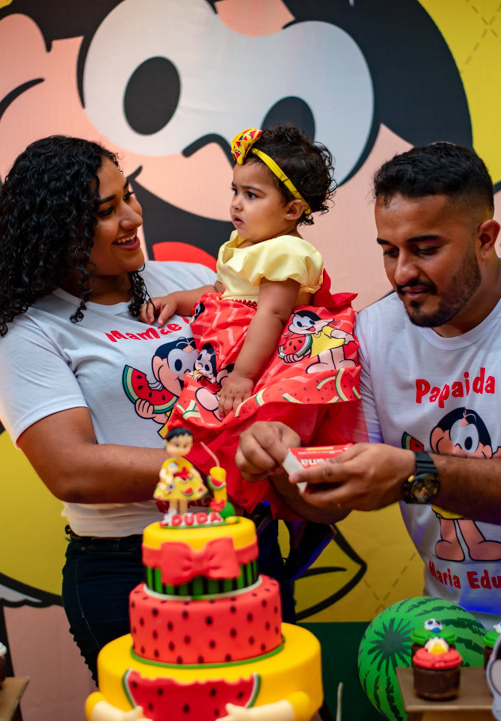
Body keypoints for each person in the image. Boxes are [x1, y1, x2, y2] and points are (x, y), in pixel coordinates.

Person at [236, 142, 501, 718]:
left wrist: (415, 473)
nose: (403, 273)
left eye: (425, 249)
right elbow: (333, 504)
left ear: (485, 237)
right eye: (389, 250)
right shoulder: (371, 332)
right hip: (447, 633)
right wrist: (284, 464)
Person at [0, 136, 339, 681]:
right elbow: (72, 470)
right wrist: (228, 465)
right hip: (130, 566)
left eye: (128, 195)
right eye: (105, 211)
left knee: (269, 706)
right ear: (56, 231)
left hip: (244, 544)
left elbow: (282, 345)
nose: (132, 217)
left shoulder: (184, 279)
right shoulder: (29, 333)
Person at [140, 125, 363, 521]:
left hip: (263, 358)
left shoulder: (286, 251)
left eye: (252, 195)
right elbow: (219, 293)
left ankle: (252, 501)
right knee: (219, 427)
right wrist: (177, 299)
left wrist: (243, 376)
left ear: (292, 210)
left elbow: (272, 314)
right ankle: (225, 495)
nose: (236, 205)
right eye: (235, 191)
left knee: (252, 428)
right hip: (233, 349)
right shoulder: (245, 246)